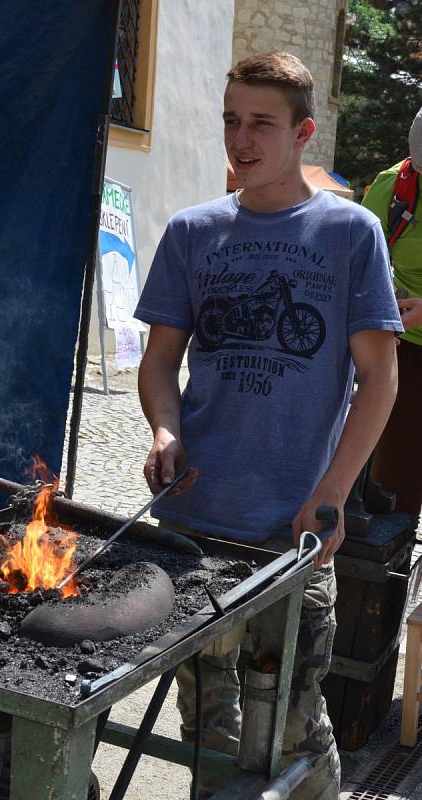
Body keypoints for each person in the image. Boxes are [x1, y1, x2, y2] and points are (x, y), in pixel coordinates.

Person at [133, 51, 403, 800]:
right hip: (192, 525)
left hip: (294, 535)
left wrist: (334, 492)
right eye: (230, 120)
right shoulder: (192, 232)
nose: (239, 140)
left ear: (303, 132)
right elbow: (159, 364)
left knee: (292, 729)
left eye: (260, 124)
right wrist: (165, 430)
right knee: (209, 734)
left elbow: (379, 379)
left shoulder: (352, 234)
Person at [362, 107, 422, 518]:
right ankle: (392, 579)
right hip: (407, 353)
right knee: (396, 492)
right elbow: (364, 266)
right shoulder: (393, 189)